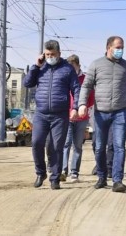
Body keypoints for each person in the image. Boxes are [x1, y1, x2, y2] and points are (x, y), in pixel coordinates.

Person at [78, 35, 126, 193]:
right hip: (100, 113)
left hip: (120, 112)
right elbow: (86, 86)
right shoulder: (96, 65)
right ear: (108, 47)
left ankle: (118, 180)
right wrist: (82, 104)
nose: (120, 50)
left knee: (119, 146)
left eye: (122, 47)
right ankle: (101, 176)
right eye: (118, 47)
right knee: (99, 147)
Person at [24, 40, 80, 190]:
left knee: (56, 147)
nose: (50, 57)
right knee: (36, 143)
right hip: (41, 113)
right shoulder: (40, 68)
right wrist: (36, 65)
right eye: (47, 54)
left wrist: (75, 107)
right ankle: (40, 173)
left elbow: (76, 89)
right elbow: (27, 83)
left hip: (60, 115)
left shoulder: (67, 69)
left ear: (59, 54)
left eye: (52, 54)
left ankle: (55, 178)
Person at [61, 54, 95, 183]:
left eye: (73, 67)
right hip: (67, 116)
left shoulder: (85, 79)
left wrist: (84, 108)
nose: (71, 69)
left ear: (78, 66)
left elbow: (91, 96)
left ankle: (74, 172)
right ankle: (64, 171)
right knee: (66, 144)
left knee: (77, 145)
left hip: (81, 118)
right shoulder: (64, 78)